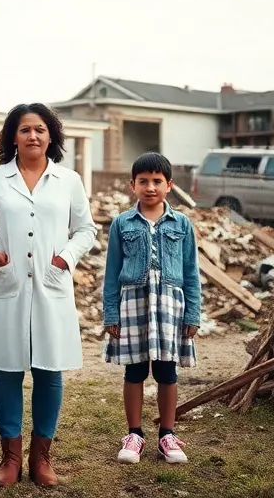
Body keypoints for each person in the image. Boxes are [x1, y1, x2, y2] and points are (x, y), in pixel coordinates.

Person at [0, 103, 96, 488]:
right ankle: (10, 459)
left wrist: (66, 257)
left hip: (51, 283)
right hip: (8, 285)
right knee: (7, 369)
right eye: (24, 130)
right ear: (13, 137)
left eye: (40, 129)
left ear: (51, 135)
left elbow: (85, 230)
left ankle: (41, 458)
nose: (33, 136)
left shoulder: (68, 180)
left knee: (49, 369)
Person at [102, 152, 201, 465]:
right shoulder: (122, 223)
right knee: (134, 370)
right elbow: (111, 271)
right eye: (143, 181)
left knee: (166, 371)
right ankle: (134, 434)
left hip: (171, 307)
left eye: (157, 181)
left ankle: (167, 435)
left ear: (169, 185)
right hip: (133, 304)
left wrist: (193, 314)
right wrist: (111, 313)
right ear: (133, 185)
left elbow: (191, 271)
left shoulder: (182, 224)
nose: (150, 187)